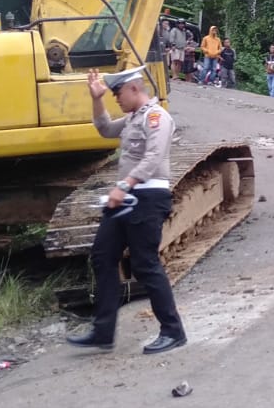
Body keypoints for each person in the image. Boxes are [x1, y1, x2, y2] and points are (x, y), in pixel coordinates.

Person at [67, 66, 188, 355]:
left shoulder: (157, 117)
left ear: (135, 89)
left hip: (147, 197)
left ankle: (173, 331)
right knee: (102, 256)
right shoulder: (133, 118)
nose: (116, 99)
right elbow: (105, 128)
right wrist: (96, 99)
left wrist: (124, 184)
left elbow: (154, 156)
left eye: (118, 93)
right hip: (126, 197)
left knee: (145, 264)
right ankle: (103, 331)